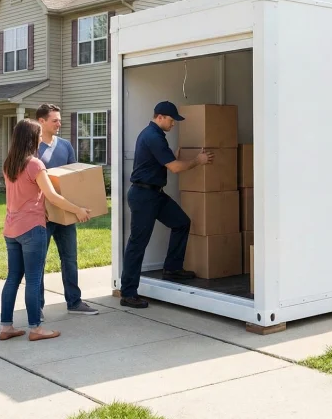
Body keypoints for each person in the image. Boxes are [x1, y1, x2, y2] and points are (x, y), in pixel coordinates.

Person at [0, 119, 91, 342]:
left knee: (12, 278)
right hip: (32, 229)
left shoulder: (9, 163)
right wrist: (78, 210)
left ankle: (6, 327)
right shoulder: (34, 164)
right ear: (31, 138)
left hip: (11, 228)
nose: (41, 138)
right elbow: (52, 196)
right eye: (39, 135)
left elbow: (17, 196)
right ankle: (36, 328)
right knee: (33, 278)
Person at [120, 101, 214, 309]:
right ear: (160, 117)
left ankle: (172, 268)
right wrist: (199, 160)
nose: (173, 124)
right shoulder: (153, 136)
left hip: (155, 194)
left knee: (181, 223)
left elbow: (165, 162)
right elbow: (174, 168)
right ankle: (128, 293)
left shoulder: (155, 135)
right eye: (172, 120)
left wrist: (175, 158)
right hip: (143, 196)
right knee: (138, 243)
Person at [35, 103, 98, 317]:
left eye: (59, 120)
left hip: (65, 213)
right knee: (38, 261)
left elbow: (73, 178)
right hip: (41, 214)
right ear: (41, 121)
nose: (59, 123)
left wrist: (78, 207)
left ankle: (75, 302)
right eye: (54, 120)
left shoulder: (65, 146)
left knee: (70, 258)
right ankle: (38, 307)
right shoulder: (32, 148)